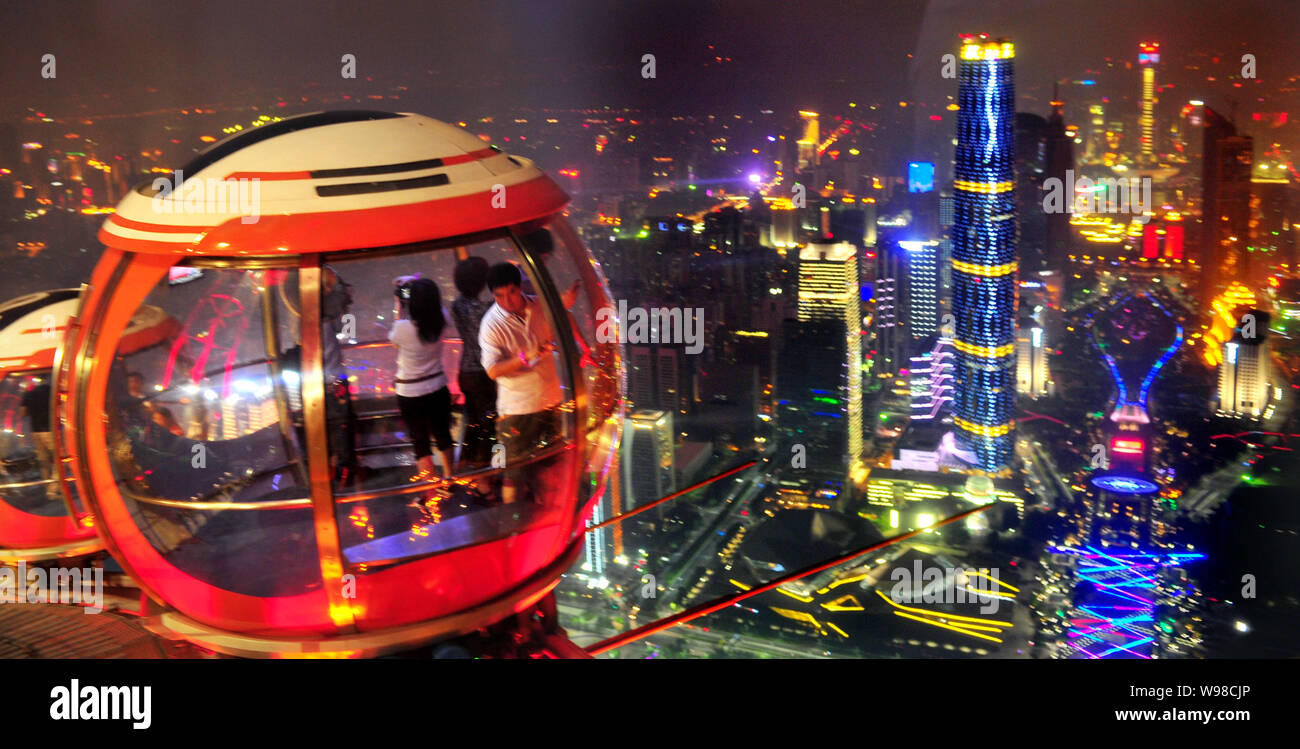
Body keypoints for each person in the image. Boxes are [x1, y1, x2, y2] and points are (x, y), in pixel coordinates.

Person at [480, 262, 563, 504]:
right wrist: (526, 357)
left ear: (520, 288)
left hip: (550, 401)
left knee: (550, 468)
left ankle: (548, 514)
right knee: (512, 474)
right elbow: (493, 370)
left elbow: (563, 314)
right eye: (499, 296)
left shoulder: (540, 306)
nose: (507, 301)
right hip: (516, 410)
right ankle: (513, 524)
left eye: (512, 293)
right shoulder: (491, 324)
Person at [390, 276, 456, 479]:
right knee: (443, 435)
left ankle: (430, 490)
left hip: (410, 393)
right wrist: (415, 281)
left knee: (420, 442)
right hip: (437, 387)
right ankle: (449, 478)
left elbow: (394, 342)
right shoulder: (442, 319)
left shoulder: (402, 328)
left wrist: (399, 305)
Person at [450, 257, 497, 467]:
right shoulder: (482, 309)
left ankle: (465, 462)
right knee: (488, 420)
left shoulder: (457, 305)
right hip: (481, 371)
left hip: (465, 370)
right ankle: (483, 466)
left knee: (473, 419)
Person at [19, 379, 58, 500]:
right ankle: (55, 489)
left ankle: (48, 490)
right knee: (58, 460)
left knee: (44, 461)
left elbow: (23, 413)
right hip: (50, 429)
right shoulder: (52, 390)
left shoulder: (29, 393)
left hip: (36, 431)